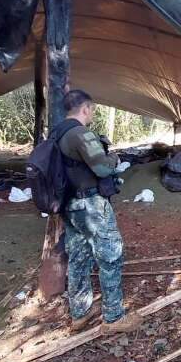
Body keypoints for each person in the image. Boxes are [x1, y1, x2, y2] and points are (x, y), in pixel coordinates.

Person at [57, 89, 131, 333]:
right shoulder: (80, 133)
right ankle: (114, 318)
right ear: (85, 108)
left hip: (69, 206)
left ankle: (80, 314)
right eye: (92, 110)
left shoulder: (57, 133)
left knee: (78, 258)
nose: (92, 114)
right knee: (110, 256)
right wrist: (115, 159)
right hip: (90, 205)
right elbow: (101, 168)